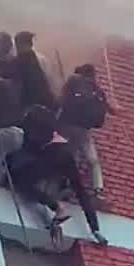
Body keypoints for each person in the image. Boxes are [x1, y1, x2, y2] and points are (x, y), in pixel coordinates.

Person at [0, 106, 108, 245]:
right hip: (47, 172)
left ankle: (56, 207)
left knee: (19, 181)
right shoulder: (55, 142)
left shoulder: (40, 137)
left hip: (38, 168)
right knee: (24, 180)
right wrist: (95, 229)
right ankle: (56, 208)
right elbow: (81, 193)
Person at [58, 64, 115, 197]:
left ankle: (66, 185)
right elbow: (107, 109)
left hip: (69, 125)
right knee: (92, 159)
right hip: (85, 129)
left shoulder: (73, 81)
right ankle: (98, 188)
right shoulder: (97, 90)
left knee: (71, 156)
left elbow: (61, 101)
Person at [14, 31, 57, 111]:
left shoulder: (18, 61)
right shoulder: (40, 58)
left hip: (33, 105)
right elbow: (49, 80)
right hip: (43, 103)